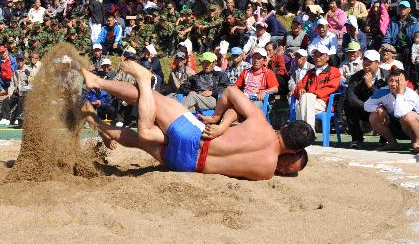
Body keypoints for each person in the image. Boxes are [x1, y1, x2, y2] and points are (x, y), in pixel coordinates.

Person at [80, 60, 314, 180]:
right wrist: (224, 123)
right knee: (143, 140)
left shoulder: (260, 122)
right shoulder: (265, 171)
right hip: (187, 165)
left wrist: (218, 120)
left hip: (197, 136)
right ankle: (100, 125)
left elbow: (231, 91)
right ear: (292, 151)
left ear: (285, 125)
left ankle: (102, 82)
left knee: (151, 96)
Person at [364, 68, 419, 152]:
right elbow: (366, 105)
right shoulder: (383, 91)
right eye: (391, 80)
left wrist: (400, 93)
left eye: (398, 81)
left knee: (408, 116)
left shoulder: (411, 94)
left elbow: (400, 113)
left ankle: (415, 143)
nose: (393, 84)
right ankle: (392, 143)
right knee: (373, 116)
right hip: (397, 126)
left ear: (406, 82)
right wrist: (378, 108)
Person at [292, 45, 342, 133]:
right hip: (309, 102)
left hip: (325, 103)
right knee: (299, 104)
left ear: (327, 57)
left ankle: (307, 132)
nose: (317, 58)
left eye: (321, 55)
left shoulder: (334, 71)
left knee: (304, 100)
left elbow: (331, 88)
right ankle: (304, 133)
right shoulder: (310, 72)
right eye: (315, 55)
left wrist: (311, 93)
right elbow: (299, 86)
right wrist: (301, 89)